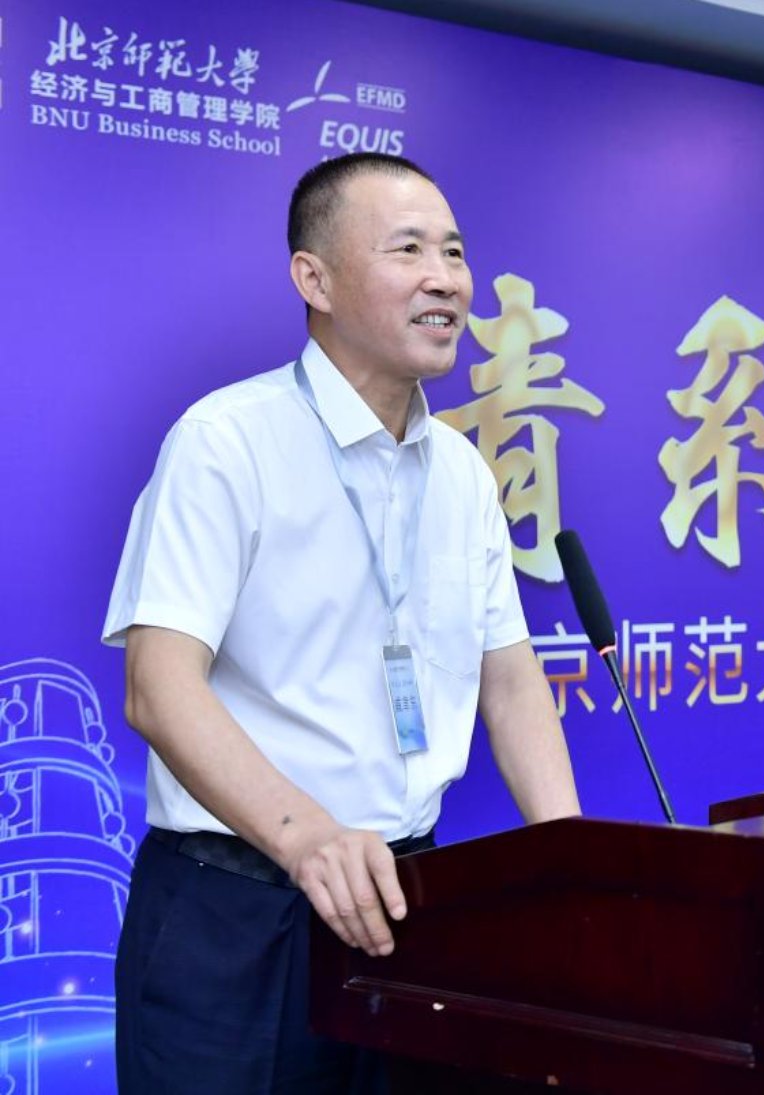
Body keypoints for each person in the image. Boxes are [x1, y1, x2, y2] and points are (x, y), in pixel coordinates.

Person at [103, 152, 581, 1093]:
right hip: (238, 915)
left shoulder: (462, 474)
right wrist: (308, 837)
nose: (445, 278)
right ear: (313, 279)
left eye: (454, 252)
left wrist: (576, 857)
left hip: (409, 908)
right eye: (408, 250)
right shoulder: (226, 443)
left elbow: (511, 681)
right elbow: (158, 687)